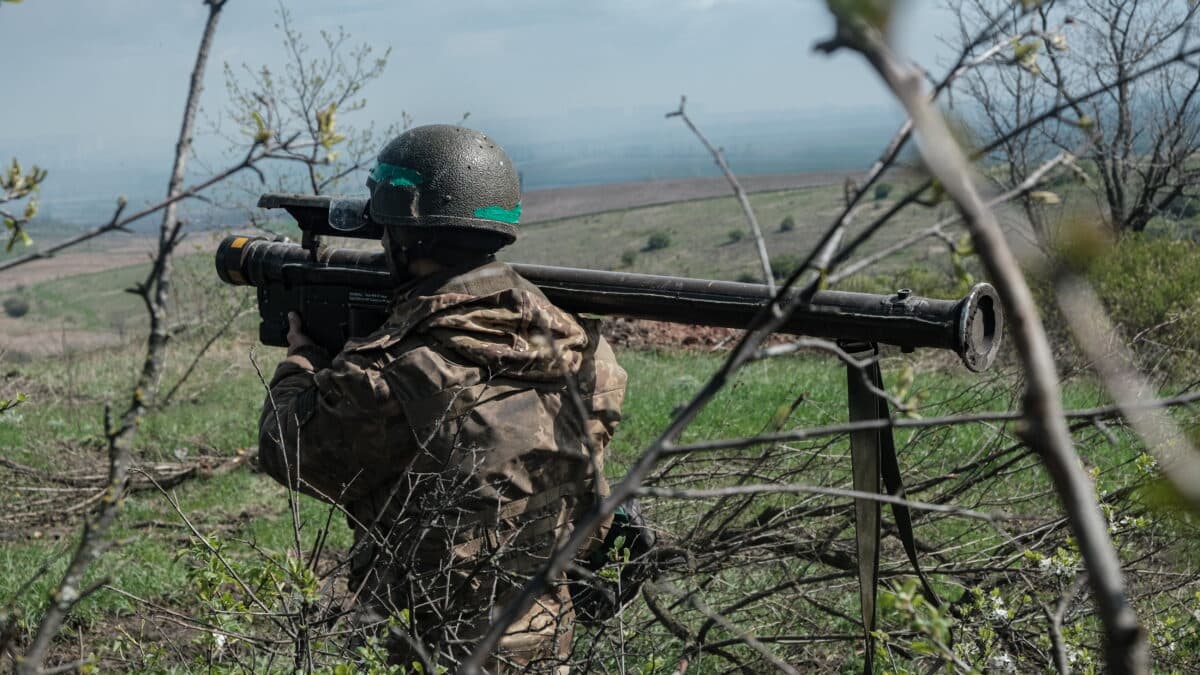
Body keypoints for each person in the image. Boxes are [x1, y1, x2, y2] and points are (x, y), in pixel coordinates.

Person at [257, 124, 627, 673]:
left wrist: (302, 362)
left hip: (431, 646)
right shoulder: (586, 353)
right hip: (547, 640)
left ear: (401, 235)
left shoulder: (397, 373)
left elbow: (284, 450)